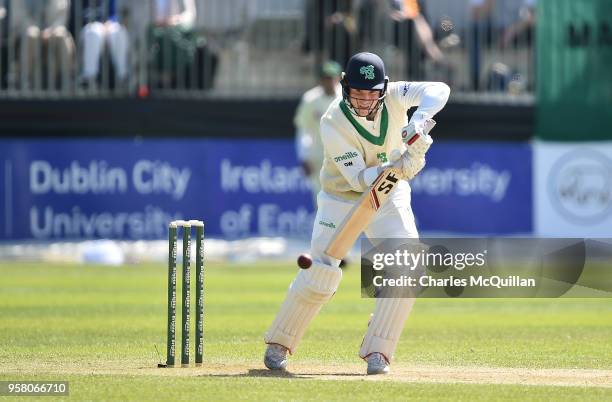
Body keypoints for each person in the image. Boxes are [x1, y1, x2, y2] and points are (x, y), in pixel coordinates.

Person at [264, 52, 450, 375]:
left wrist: (418, 121)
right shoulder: (332, 120)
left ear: (384, 88)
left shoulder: (394, 96)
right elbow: (358, 178)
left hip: (388, 195)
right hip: (341, 199)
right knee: (321, 270)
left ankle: (379, 349)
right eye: (358, 93)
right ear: (345, 88)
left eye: (372, 92)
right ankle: (280, 341)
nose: (365, 100)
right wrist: (401, 165)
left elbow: (440, 89)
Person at [294, 60, 342, 207]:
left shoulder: (347, 98)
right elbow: (303, 130)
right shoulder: (310, 99)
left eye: (332, 78)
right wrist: (304, 156)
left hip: (344, 155)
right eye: (326, 78)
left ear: (339, 78)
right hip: (318, 157)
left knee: (346, 201)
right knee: (322, 202)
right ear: (320, 80)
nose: (329, 82)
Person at [10, 0, 75, 90]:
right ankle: (25, 80)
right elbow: (20, 17)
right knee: (31, 35)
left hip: (52, 31)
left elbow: (61, 17)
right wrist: (36, 30)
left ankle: (67, 79)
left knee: (61, 35)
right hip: (25, 30)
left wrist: (50, 31)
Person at [75, 0, 129, 89]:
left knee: (119, 32)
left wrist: (108, 23)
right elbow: (78, 16)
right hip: (86, 27)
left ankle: (122, 77)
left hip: (107, 26)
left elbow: (113, 14)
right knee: (93, 32)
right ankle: (89, 78)